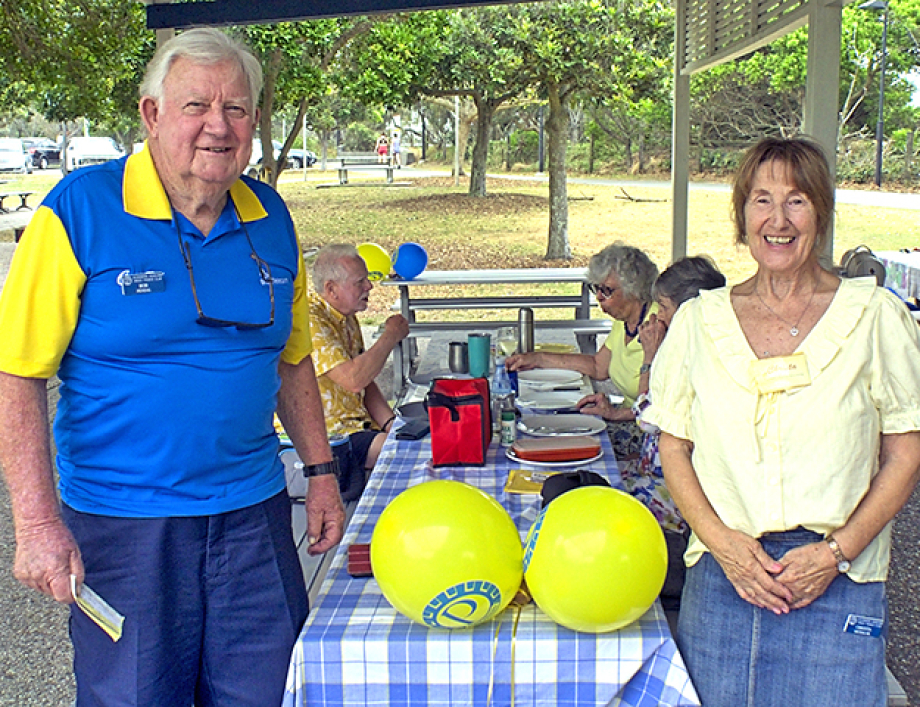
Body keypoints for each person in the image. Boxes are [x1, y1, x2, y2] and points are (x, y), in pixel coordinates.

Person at [0, 29, 345, 707]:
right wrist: (36, 524)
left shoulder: (269, 215)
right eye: (196, 105)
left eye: (237, 109)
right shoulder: (79, 210)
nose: (218, 126)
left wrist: (322, 473)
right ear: (152, 114)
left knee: (272, 694)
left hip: (253, 515)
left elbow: (292, 358)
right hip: (124, 525)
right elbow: (18, 374)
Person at [645, 136, 920, 706]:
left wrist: (835, 553)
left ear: (820, 212)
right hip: (726, 574)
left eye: (796, 200)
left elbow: (905, 452)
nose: (778, 219)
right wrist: (722, 545)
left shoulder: (874, 317)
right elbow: (674, 447)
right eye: (762, 200)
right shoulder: (699, 322)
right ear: (742, 215)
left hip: (835, 575)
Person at [506, 243, 658, 458]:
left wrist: (614, 413)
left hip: (647, 435)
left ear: (634, 290)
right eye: (597, 289)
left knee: (556, 442)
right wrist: (537, 359)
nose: (599, 298)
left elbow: (657, 406)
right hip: (628, 421)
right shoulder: (625, 321)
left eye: (607, 291)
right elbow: (598, 367)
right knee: (542, 433)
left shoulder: (656, 325)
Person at [308, 244, 409, 500]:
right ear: (331, 289)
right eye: (360, 282)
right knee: (406, 456)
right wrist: (390, 336)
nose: (369, 287)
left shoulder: (345, 315)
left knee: (414, 440)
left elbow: (366, 381)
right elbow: (354, 379)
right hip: (331, 437)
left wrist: (391, 424)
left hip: (359, 427)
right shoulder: (310, 321)